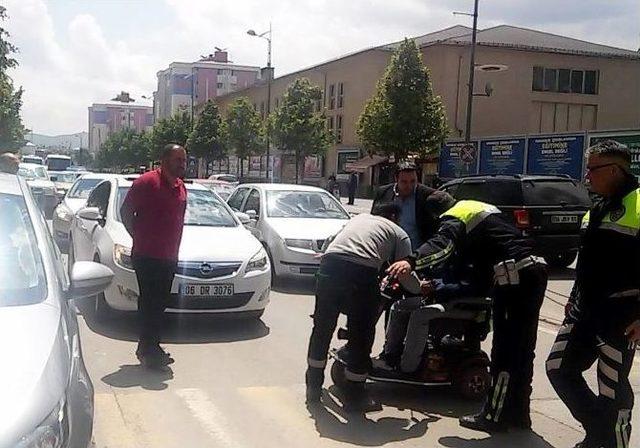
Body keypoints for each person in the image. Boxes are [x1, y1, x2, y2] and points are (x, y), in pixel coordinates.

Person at [388, 198, 548, 432]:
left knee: (505, 352)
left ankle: (494, 417)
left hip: (513, 276)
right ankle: (519, 415)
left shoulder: (456, 216)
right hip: (534, 271)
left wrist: (411, 261)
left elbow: (443, 245)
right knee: (523, 351)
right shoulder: (484, 211)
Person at [546, 140, 640, 448]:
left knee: (611, 387)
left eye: (593, 169)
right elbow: (587, 262)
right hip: (584, 310)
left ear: (614, 170)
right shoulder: (597, 205)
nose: (587, 177)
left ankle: (613, 442)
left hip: (621, 316)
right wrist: (574, 296)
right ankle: (600, 433)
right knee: (559, 368)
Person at [305, 203, 414, 411]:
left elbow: (329, 243)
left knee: (322, 328)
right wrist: (420, 289)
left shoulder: (357, 219)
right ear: (395, 218)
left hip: (330, 265)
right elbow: (404, 270)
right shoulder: (398, 232)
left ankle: (313, 388)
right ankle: (355, 396)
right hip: (361, 271)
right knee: (361, 334)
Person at [120, 144, 187, 370]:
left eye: (183, 160)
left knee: (160, 303)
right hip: (147, 255)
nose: (182, 164)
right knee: (149, 303)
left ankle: (151, 346)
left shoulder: (180, 187)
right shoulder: (146, 182)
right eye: (178, 159)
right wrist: (139, 236)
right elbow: (126, 212)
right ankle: (148, 350)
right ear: (164, 160)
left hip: (169, 256)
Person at [371, 161, 454, 250]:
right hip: (387, 252)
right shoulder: (383, 193)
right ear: (396, 179)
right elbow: (373, 221)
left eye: (413, 181)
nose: (409, 186)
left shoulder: (427, 195)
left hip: (415, 254)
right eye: (404, 182)